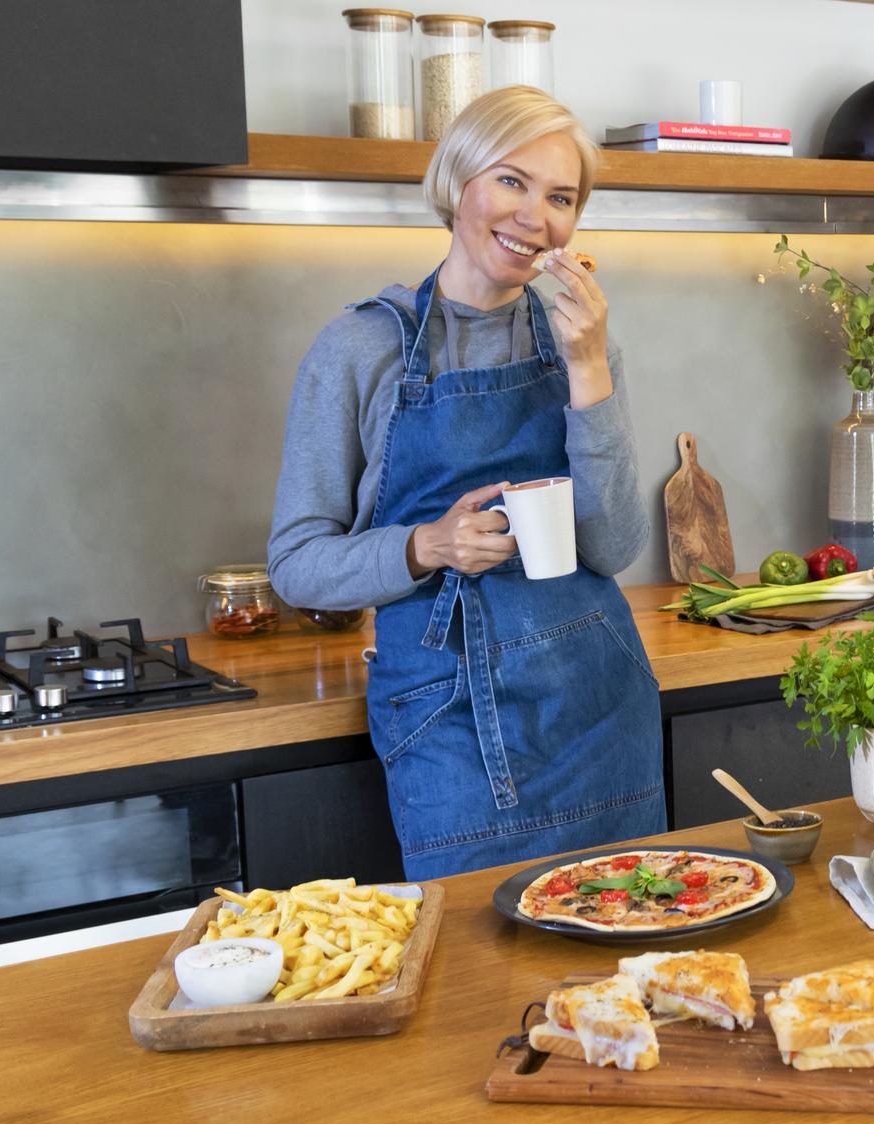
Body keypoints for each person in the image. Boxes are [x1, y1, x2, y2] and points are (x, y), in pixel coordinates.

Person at [268, 87, 664, 881]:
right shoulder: (360, 348)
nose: (535, 216)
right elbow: (296, 562)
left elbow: (613, 545)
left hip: (599, 709)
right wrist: (425, 546)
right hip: (448, 727)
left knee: (628, 974)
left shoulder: (582, 344)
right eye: (511, 181)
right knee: (478, 984)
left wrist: (589, 371)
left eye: (561, 197)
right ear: (458, 184)